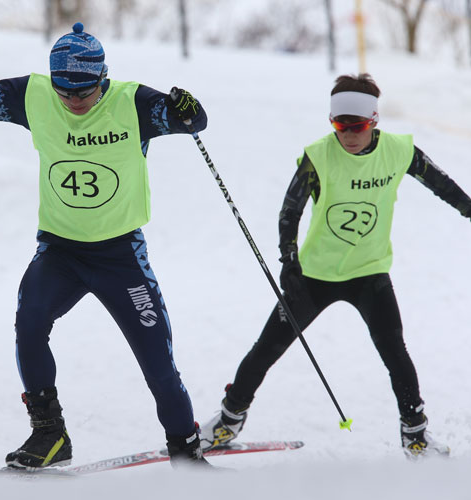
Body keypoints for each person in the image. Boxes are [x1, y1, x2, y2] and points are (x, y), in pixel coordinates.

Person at [0, 22, 210, 469]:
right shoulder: (33, 95)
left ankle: (185, 449)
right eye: (64, 92)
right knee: (29, 321)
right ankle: (50, 434)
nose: (73, 101)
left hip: (120, 255)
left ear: (102, 80)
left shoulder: (133, 103)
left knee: (157, 360)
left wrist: (188, 108)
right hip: (61, 252)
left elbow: (193, 121)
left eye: (83, 93)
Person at [199, 73, 471, 459]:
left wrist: (468, 208)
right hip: (314, 276)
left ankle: (416, 435)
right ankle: (227, 423)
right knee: (265, 350)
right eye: (339, 125)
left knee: (396, 353)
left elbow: (443, 185)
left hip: (370, 273)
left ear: (374, 120)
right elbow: (289, 211)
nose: (347, 134)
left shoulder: (399, 151)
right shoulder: (319, 156)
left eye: (356, 126)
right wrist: (289, 258)